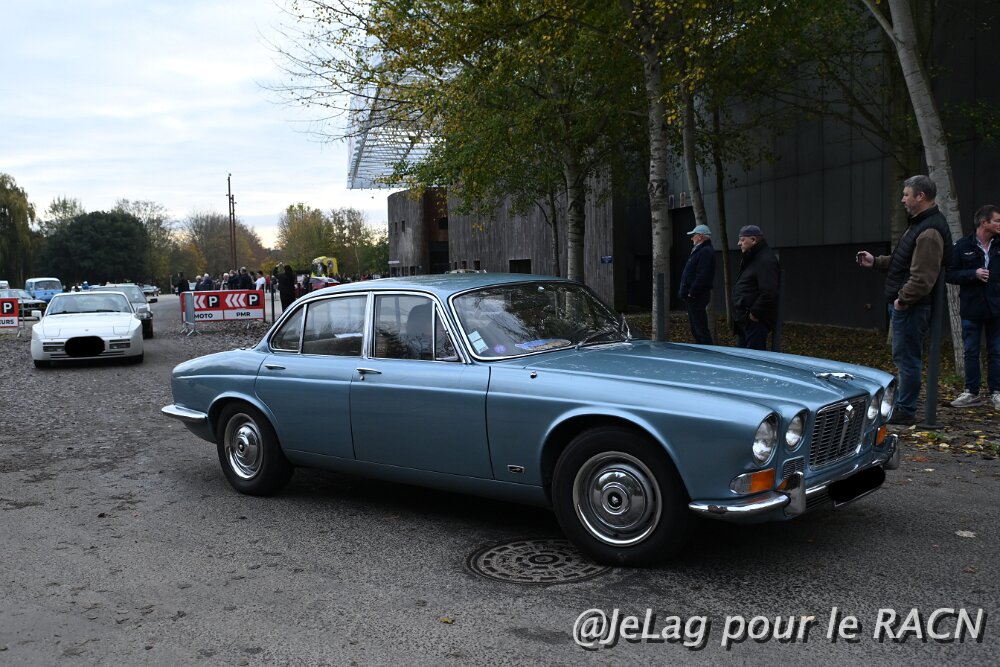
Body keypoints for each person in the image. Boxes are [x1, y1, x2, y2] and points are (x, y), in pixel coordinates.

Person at [857, 175, 952, 425]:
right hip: (908, 305)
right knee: (905, 358)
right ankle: (903, 406)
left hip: (912, 307)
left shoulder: (929, 231)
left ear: (921, 196)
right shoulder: (920, 225)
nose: (902, 199)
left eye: (906, 194)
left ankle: (905, 409)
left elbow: (922, 277)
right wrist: (876, 262)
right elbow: (904, 260)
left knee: (907, 360)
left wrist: (903, 300)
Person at [945, 204, 1000, 408]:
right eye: (997, 221)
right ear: (984, 223)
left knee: (996, 351)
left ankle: (997, 392)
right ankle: (971, 392)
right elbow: (950, 274)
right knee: (970, 351)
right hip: (971, 308)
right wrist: (972, 274)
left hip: (996, 307)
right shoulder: (962, 246)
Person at [732, 224, 780, 350]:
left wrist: (754, 313)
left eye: (742, 240)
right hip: (745, 319)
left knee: (754, 355)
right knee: (744, 355)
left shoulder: (765, 260)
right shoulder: (753, 258)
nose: (739, 243)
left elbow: (769, 292)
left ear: (753, 240)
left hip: (754, 321)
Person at [678, 224, 716, 344]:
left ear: (700, 236)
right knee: (696, 328)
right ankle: (704, 349)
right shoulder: (701, 250)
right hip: (695, 295)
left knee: (700, 328)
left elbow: (703, 275)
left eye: (693, 235)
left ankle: (707, 351)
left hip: (697, 296)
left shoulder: (705, 251)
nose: (691, 238)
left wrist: (692, 292)